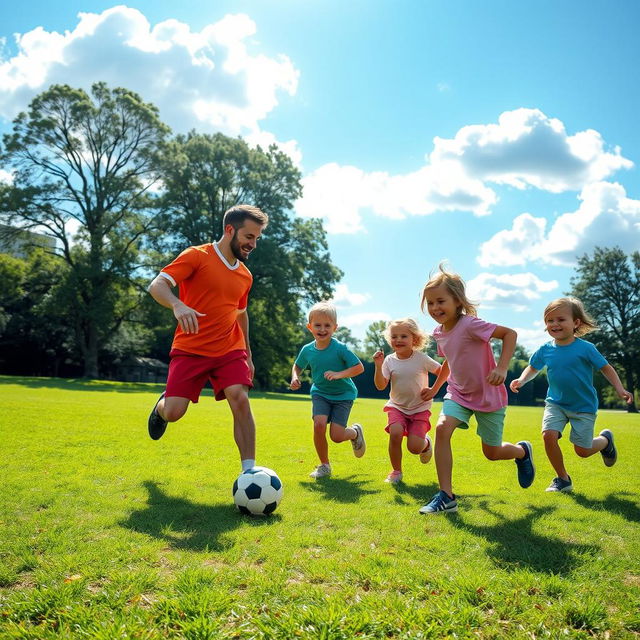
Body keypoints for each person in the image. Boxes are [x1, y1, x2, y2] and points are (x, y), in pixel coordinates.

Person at [146, 204, 268, 473]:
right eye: (249, 237)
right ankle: (160, 408)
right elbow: (157, 285)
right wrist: (177, 305)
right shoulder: (196, 256)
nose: (253, 244)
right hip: (191, 348)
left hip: (229, 348)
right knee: (175, 412)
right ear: (229, 230)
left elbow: (241, 314)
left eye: (257, 238)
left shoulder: (245, 276)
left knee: (239, 397)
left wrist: (247, 354)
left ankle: (249, 471)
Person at [418, 264, 535, 514]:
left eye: (440, 301)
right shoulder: (439, 333)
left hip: (488, 397)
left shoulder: (471, 324)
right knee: (441, 429)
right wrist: (436, 387)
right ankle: (446, 496)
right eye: (430, 303)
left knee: (492, 452)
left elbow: (510, 334)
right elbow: (449, 361)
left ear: (457, 301)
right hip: (458, 393)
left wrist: (502, 368)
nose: (435, 308)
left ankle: (521, 452)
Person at [510, 297, 633, 493]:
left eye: (560, 319)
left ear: (576, 323)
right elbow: (533, 368)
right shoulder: (546, 349)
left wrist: (620, 389)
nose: (555, 324)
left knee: (582, 451)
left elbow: (606, 368)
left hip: (583, 406)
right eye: (550, 321)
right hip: (555, 403)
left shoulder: (586, 348)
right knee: (548, 436)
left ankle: (605, 441)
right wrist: (522, 380)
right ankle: (562, 479)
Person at [290, 301, 366, 478]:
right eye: (318, 325)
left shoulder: (340, 348)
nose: (322, 329)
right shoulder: (307, 350)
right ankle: (324, 465)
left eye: (327, 325)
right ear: (310, 327)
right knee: (319, 425)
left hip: (343, 395)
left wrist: (339, 374)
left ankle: (355, 432)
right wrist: (295, 376)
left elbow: (359, 367)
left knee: (337, 436)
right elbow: (298, 365)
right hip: (320, 393)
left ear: (335, 328)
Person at [373, 318, 442, 484]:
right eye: (394, 336)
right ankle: (396, 472)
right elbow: (381, 386)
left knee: (414, 448)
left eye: (403, 336)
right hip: (397, 407)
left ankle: (425, 444)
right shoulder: (389, 360)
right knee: (395, 433)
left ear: (415, 339)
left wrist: (434, 390)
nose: (398, 340)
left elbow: (442, 372)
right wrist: (378, 365)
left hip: (420, 408)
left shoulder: (422, 359)